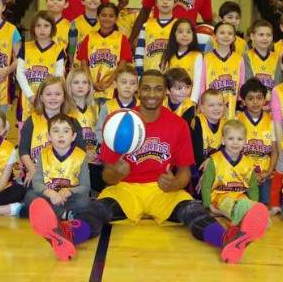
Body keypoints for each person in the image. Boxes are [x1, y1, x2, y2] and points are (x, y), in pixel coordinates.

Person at [28, 70, 269, 263]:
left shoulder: (177, 124)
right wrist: (116, 173)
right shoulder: (119, 121)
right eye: (146, 88)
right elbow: (106, 174)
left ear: (165, 92)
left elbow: (185, 172)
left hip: (161, 189)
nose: (151, 93)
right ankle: (65, 234)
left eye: (157, 89)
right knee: (97, 211)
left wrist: (175, 183)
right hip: (126, 188)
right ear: (138, 90)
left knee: (193, 212)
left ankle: (228, 238)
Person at [18, 113, 90, 219]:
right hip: (49, 196)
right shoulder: (43, 154)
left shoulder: (81, 155)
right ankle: (64, 214)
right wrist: (50, 193)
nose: (61, 135)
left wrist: (70, 191)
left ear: (73, 136)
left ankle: (47, 213)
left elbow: (86, 186)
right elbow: (37, 182)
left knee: (84, 201)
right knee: (30, 196)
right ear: (49, 136)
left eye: (66, 131)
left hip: (69, 198)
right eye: (56, 131)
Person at [201, 120, 268, 225]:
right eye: (231, 138)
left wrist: (254, 203)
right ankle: (240, 220)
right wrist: (208, 205)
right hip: (220, 197)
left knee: (246, 203)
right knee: (230, 205)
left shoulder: (248, 162)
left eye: (240, 139)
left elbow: (253, 187)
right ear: (223, 140)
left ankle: (250, 216)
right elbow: (206, 185)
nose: (235, 142)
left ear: (245, 141)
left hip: (239, 196)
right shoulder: (214, 160)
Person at [15, 11, 66, 122]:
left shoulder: (58, 50)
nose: (42, 29)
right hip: (27, 99)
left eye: (46, 26)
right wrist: (31, 96)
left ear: (52, 28)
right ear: (33, 28)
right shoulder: (25, 48)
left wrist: (45, 97)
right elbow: (19, 74)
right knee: (25, 132)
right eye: (38, 26)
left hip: (50, 101)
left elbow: (58, 77)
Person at [76, 2, 133, 101]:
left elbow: (122, 65)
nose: (107, 18)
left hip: (113, 88)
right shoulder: (89, 37)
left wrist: (109, 82)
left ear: (116, 19)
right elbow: (84, 63)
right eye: (103, 15)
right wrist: (91, 82)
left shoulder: (121, 38)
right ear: (98, 17)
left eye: (111, 16)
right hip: (91, 87)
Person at [236, 78, 277, 206]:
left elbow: (275, 151)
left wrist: (269, 171)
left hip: (265, 174)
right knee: (248, 202)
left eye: (259, 98)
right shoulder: (237, 121)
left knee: (265, 202)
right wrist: (248, 173)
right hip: (244, 174)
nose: (255, 102)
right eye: (250, 98)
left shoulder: (271, 121)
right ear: (243, 101)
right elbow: (233, 152)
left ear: (264, 100)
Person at [201, 22, 245, 118]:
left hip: (232, 107)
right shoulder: (206, 58)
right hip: (210, 108)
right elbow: (202, 84)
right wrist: (201, 103)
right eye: (222, 33)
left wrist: (240, 104)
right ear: (214, 36)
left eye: (230, 33)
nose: (226, 36)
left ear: (234, 38)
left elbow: (242, 83)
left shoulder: (239, 59)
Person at [134, 0, 177, 76]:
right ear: (156, 3)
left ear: (175, 3)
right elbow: (139, 52)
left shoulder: (179, 26)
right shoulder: (146, 25)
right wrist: (140, 74)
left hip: (172, 77)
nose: (165, 2)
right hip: (149, 74)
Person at [159, 18, 203, 101]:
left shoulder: (197, 56)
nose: (185, 35)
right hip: (169, 101)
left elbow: (197, 84)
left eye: (188, 32)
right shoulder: (167, 55)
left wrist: (192, 103)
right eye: (180, 32)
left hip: (188, 101)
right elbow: (163, 81)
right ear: (174, 34)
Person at [190, 89, 226, 170]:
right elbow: (196, 151)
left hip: (217, 165)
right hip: (198, 167)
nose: (216, 108)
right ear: (202, 108)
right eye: (211, 105)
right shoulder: (197, 122)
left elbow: (225, 150)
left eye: (220, 105)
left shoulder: (226, 124)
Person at [244, 19, 278, 95]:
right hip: (251, 103)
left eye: (268, 35)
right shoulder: (244, 57)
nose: (265, 38)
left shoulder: (278, 58)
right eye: (261, 35)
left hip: (273, 103)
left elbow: (278, 85)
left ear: (272, 37)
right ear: (252, 36)